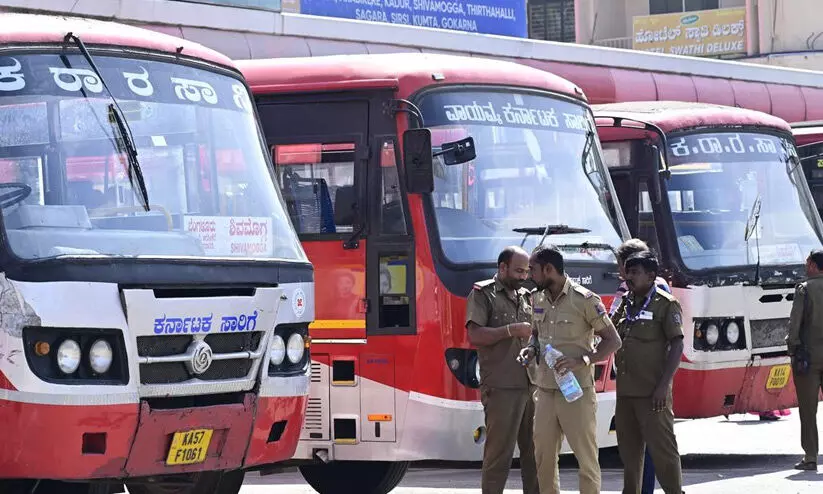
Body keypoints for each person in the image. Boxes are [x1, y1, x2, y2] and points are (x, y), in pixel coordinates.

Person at [518, 244, 622, 494]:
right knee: (543, 459)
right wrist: (531, 349)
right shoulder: (538, 298)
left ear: (549, 269)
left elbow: (613, 341)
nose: (529, 275)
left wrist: (584, 360)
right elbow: (536, 333)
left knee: (586, 459)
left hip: (576, 392)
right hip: (545, 391)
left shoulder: (584, 300)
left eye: (533, 269)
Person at [465, 246, 539, 494]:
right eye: (518, 270)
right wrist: (509, 331)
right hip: (501, 387)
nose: (523, 276)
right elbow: (475, 335)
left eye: (526, 271)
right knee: (499, 456)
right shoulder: (483, 293)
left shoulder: (527, 296)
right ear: (502, 267)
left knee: (536, 455)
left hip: (531, 385)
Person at [611, 251, 684, 494]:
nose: (629, 277)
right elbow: (611, 333)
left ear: (651, 276)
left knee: (663, 451)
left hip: (653, 394)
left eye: (635, 273)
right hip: (626, 393)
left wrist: (664, 385)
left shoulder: (666, 304)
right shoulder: (625, 302)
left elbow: (677, 344)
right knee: (630, 456)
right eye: (627, 272)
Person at [786, 249, 823, 471]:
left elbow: (794, 325)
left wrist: (792, 349)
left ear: (812, 264)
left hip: (808, 359)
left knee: (808, 410)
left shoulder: (804, 289)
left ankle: (810, 456)